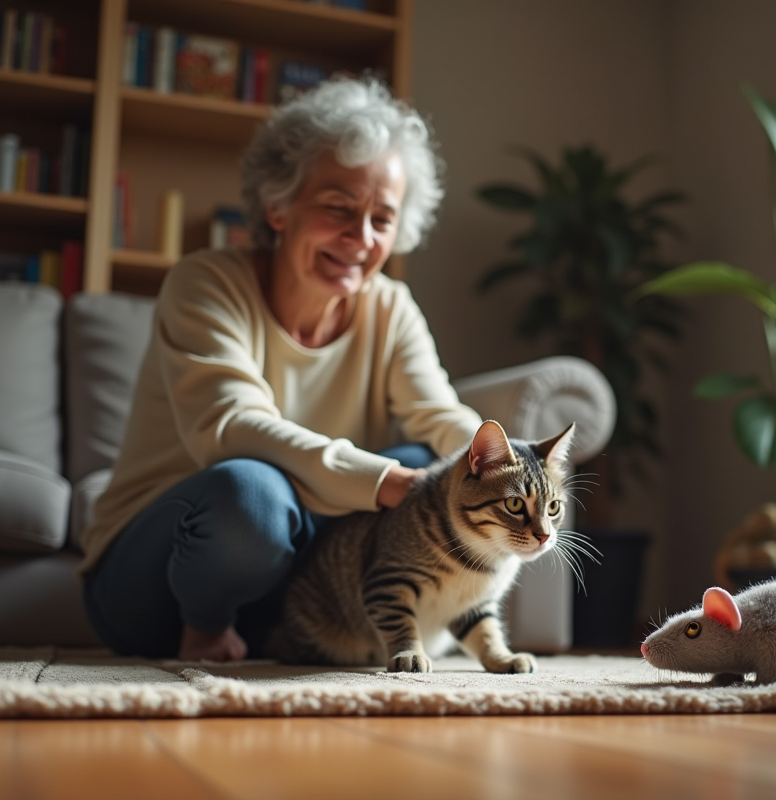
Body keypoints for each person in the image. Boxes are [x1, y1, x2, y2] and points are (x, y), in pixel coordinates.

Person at [79, 75, 483, 663]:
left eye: (382, 218)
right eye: (339, 207)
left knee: (434, 467)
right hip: (157, 583)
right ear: (278, 205)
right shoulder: (206, 283)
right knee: (254, 493)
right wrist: (382, 481)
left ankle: (336, 636)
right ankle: (206, 630)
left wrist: (501, 468)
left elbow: (439, 415)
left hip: (294, 586)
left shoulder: (388, 306)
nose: (360, 238)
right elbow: (231, 424)